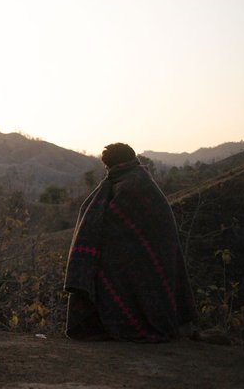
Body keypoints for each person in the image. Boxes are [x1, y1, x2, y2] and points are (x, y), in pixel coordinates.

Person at [64, 143, 197, 342]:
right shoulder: (124, 180)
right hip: (135, 256)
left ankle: (129, 323)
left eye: (109, 168)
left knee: (115, 275)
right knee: (106, 271)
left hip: (148, 257)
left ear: (115, 165)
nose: (107, 172)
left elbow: (114, 228)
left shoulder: (134, 185)